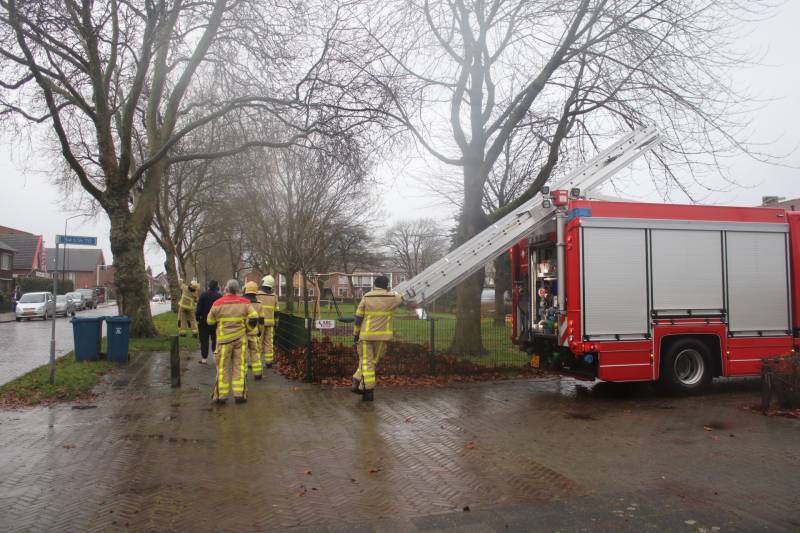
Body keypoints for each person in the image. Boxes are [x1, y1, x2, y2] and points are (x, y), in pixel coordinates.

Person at [351, 275, 404, 402]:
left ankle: (359, 382)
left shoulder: (366, 297)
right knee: (372, 362)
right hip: (381, 337)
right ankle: (366, 389)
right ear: (387, 285)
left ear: (375, 284)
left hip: (365, 335)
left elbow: (358, 318)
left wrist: (356, 334)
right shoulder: (393, 298)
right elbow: (403, 297)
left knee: (366, 361)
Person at [206, 279, 259, 404]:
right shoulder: (245, 302)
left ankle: (221, 396)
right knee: (239, 367)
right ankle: (239, 395)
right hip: (240, 341)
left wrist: (218, 327)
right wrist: (247, 329)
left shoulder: (217, 303)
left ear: (226, 289)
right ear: (238, 290)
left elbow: (210, 321)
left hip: (223, 342)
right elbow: (254, 317)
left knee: (222, 369)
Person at [195, 280, 222, 364]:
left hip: (203, 321)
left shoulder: (203, 295)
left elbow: (198, 309)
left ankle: (204, 359)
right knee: (215, 339)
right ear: (217, 286)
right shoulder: (219, 296)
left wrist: (197, 318)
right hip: (216, 322)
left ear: (209, 286)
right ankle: (216, 358)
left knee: (204, 340)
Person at [242, 281, 264, 379]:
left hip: (243, 333)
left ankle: (244, 374)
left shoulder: (242, 302)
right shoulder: (259, 303)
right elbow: (261, 320)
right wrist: (260, 331)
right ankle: (258, 374)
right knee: (255, 353)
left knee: (244, 354)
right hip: (254, 333)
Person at [256, 275, 279, 369]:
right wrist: (276, 322)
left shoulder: (258, 294)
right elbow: (277, 311)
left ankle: (257, 361)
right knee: (269, 343)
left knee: (258, 342)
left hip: (260, 323)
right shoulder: (274, 296)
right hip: (270, 324)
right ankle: (269, 362)